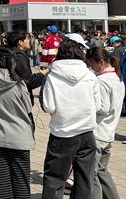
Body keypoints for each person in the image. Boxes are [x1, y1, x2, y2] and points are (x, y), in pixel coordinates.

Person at [41, 37, 100, 198]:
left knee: (54, 178)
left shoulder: (53, 76)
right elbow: (98, 105)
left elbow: (49, 106)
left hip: (62, 133)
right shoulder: (90, 75)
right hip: (86, 133)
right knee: (84, 179)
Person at [0, 48, 35, 199]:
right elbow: (28, 107)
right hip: (19, 136)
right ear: (12, 62)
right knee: (21, 183)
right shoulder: (19, 83)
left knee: (0, 184)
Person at [86, 46, 125, 199]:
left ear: (101, 62)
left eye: (92, 64)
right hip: (108, 132)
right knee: (102, 171)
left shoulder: (101, 81)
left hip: (98, 133)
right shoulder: (117, 78)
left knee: (92, 174)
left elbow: (103, 108)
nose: (91, 67)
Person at [6, 30, 44, 104]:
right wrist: (41, 75)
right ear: (20, 42)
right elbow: (28, 82)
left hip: (9, 98)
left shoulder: (8, 53)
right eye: (27, 39)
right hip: (19, 100)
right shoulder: (20, 57)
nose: (29, 41)